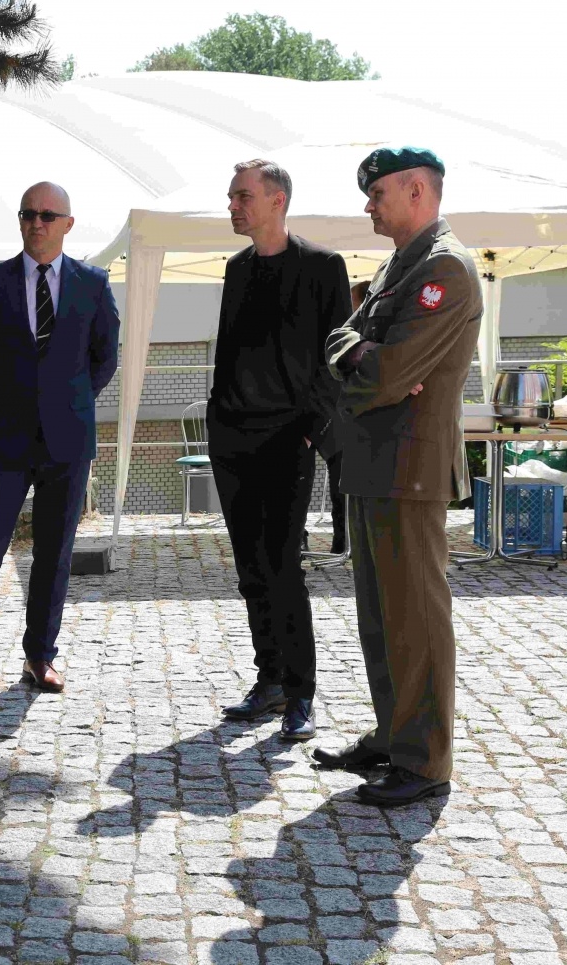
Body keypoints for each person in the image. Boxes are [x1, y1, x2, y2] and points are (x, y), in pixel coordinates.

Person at [317, 147, 482, 808]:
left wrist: (364, 361)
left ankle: (424, 760)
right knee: (381, 616)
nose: (368, 206)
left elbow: (387, 372)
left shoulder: (445, 268)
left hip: (410, 465)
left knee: (415, 615)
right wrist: (361, 356)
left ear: (417, 190)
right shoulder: (399, 265)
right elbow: (343, 342)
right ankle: (392, 735)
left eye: (377, 193)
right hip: (375, 460)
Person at [0, 182, 120, 699]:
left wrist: (67, 401)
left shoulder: (92, 283)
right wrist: (5, 401)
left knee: (53, 554)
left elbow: (104, 358)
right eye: (27, 214)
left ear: (67, 223)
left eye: (46, 215)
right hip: (5, 440)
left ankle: (41, 657)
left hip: (67, 440)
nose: (35, 223)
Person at [209, 160, 351, 742]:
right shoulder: (237, 268)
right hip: (234, 439)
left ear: (277, 200)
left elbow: (336, 356)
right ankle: (267, 679)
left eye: (243, 196)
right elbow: (229, 350)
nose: (233, 206)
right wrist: (220, 419)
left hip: (288, 440)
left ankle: (300, 693)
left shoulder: (323, 267)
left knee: (282, 565)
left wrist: (311, 428)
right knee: (249, 570)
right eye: (231, 197)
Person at [323, 280, 373, 557]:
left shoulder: (359, 330)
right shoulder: (348, 329)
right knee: (339, 485)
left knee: (341, 486)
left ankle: (343, 541)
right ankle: (342, 541)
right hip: (335, 417)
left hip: (346, 418)